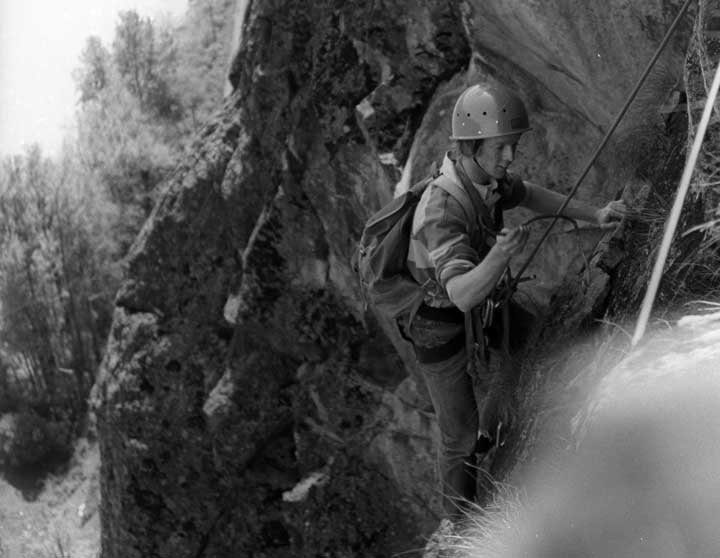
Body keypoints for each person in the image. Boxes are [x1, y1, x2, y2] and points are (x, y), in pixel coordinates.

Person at [405, 83, 627, 522]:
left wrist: (595, 214)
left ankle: (501, 426)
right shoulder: (442, 211)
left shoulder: (485, 177)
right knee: (460, 436)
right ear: (470, 147)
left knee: (536, 344)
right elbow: (462, 295)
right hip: (437, 321)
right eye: (502, 148)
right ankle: (459, 527)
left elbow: (528, 194)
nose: (510, 158)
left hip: (480, 297)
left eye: (513, 146)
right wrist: (500, 254)